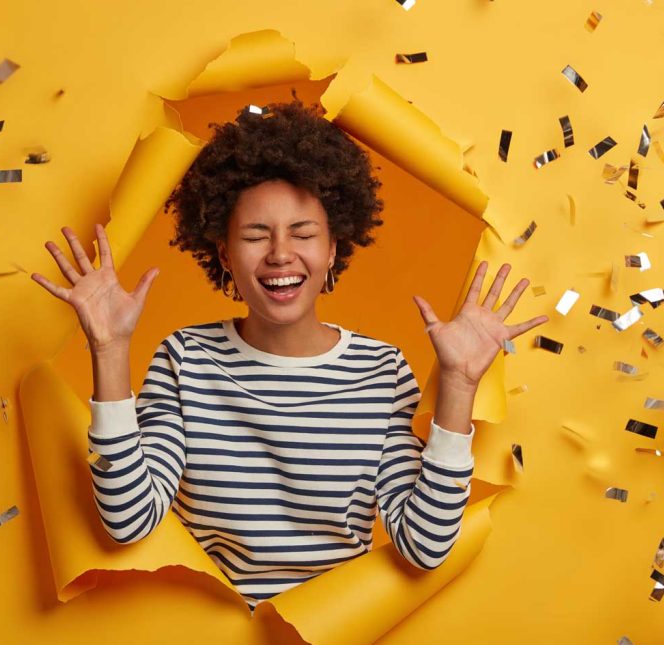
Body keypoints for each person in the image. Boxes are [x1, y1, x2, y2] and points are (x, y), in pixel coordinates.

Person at [31, 99, 548, 613]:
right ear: (225, 256)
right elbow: (128, 520)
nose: (280, 253)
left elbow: (425, 546)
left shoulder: (381, 373)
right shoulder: (185, 359)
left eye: (303, 234)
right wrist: (109, 349)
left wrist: (458, 384)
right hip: (207, 644)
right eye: (256, 235)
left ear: (331, 252)